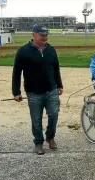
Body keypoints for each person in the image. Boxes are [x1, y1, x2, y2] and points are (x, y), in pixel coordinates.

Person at [12, 24, 63, 155]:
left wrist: (59, 85)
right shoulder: (23, 51)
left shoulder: (51, 50)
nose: (45, 37)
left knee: (54, 115)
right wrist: (16, 92)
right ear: (34, 34)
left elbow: (56, 68)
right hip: (33, 92)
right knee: (36, 119)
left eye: (46, 34)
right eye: (42, 34)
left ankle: (50, 137)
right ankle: (38, 143)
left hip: (51, 90)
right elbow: (16, 72)